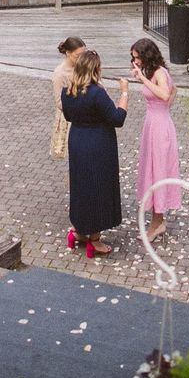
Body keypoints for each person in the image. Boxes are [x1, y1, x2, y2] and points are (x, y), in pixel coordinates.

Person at [61, 49, 128, 257]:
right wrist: (124, 93)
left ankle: (80, 232)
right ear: (95, 70)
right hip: (98, 143)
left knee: (81, 185)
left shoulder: (68, 91)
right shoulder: (97, 93)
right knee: (98, 187)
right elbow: (117, 119)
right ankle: (95, 241)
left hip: (78, 140)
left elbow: (69, 116)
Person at [130, 37, 181, 242]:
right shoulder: (152, 72)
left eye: (138, 57)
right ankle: (156, 218)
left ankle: (157, 221)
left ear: (146, 55)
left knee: (159, 170)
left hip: (160, 127)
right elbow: (174, 90)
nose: (136, 61)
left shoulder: (159, 72)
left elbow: (166, 92)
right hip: (152, 123)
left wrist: (143, 80)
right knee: (151, 169)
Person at [49, 36, 85, 159]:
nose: (81, 58)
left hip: (86, 113)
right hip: (70, 116)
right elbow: (59, 102)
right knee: (74, 157)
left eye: (83, 54)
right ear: (68, 53)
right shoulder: (60, 73)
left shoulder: (83, 67)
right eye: (78, 55)